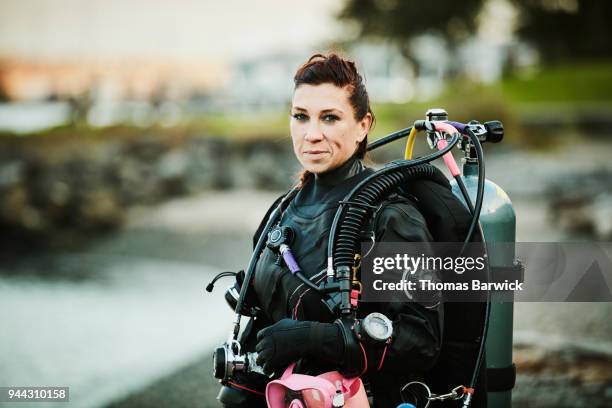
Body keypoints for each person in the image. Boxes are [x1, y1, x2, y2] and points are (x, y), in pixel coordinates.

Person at [217, 53, 443, 407]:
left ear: (363, 125)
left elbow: (420, 339)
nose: (312, 134)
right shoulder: (281, 213)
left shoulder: (390, 218)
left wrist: (314, 338)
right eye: (301, 117)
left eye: (330, 118)